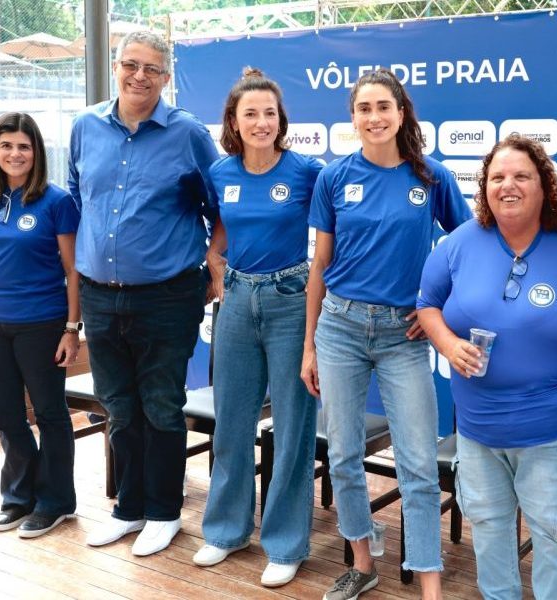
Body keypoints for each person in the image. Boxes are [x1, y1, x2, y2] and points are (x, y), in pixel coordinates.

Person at [302, 68, 472, 600]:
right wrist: (308, 344)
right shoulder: (333, 179)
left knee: (418, 464)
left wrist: (435, 312)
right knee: (345, 454)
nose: (373, 117)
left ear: (402, 113)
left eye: (383, 107)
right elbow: (321, 265)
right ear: (352, 117)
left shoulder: (431, 177)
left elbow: (469, 249)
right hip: (341, 329)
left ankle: (429, 583)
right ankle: (361, 560)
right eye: (363, 108)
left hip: (403, 335)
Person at [417, 135, 557, 600]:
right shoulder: (460, 242)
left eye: (521, 176)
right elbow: (427, 304)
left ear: (544, 184)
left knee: (555, 539)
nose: (507, 185)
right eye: (497, 177)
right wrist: (449, 345)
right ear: (484, 186)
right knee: (491, 537)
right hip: (478, 433)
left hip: (551, 434)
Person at [68, 30, 219, 557]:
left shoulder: (189, 134)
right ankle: (128, 509)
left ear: (166, 77)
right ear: (115, 66)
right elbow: (76, 202)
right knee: (119, 406)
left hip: (168, 296)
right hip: (100, 295)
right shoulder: (84, 127)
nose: (139, 76)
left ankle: (164, 512)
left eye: (151, 69)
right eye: (131, 64)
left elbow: (219, 209)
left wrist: (212, 268)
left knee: (160, 406)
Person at [192, 68, 322, 587]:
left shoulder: (307, 170)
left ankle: (286, 542)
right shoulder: (220, 173)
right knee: (232, 420)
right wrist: (216, 265)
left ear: (280, 119)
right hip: (238, 301)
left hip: (292, 300)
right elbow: (220, 226)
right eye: (251, 114)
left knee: (292, 428)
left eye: (270, 113)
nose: (261, 122)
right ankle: (226, 531)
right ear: (234, 121)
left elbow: (334, 231)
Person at [0, 112, 80, 539]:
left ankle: (56, 501)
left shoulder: (57, 201)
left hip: (42, 326)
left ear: (36, 153)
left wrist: (71, 328)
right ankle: (18, 497)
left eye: (23, 146)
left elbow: (72, 270)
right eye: (6, 145)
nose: (15, 153)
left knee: (49, 414)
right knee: (7, 416)